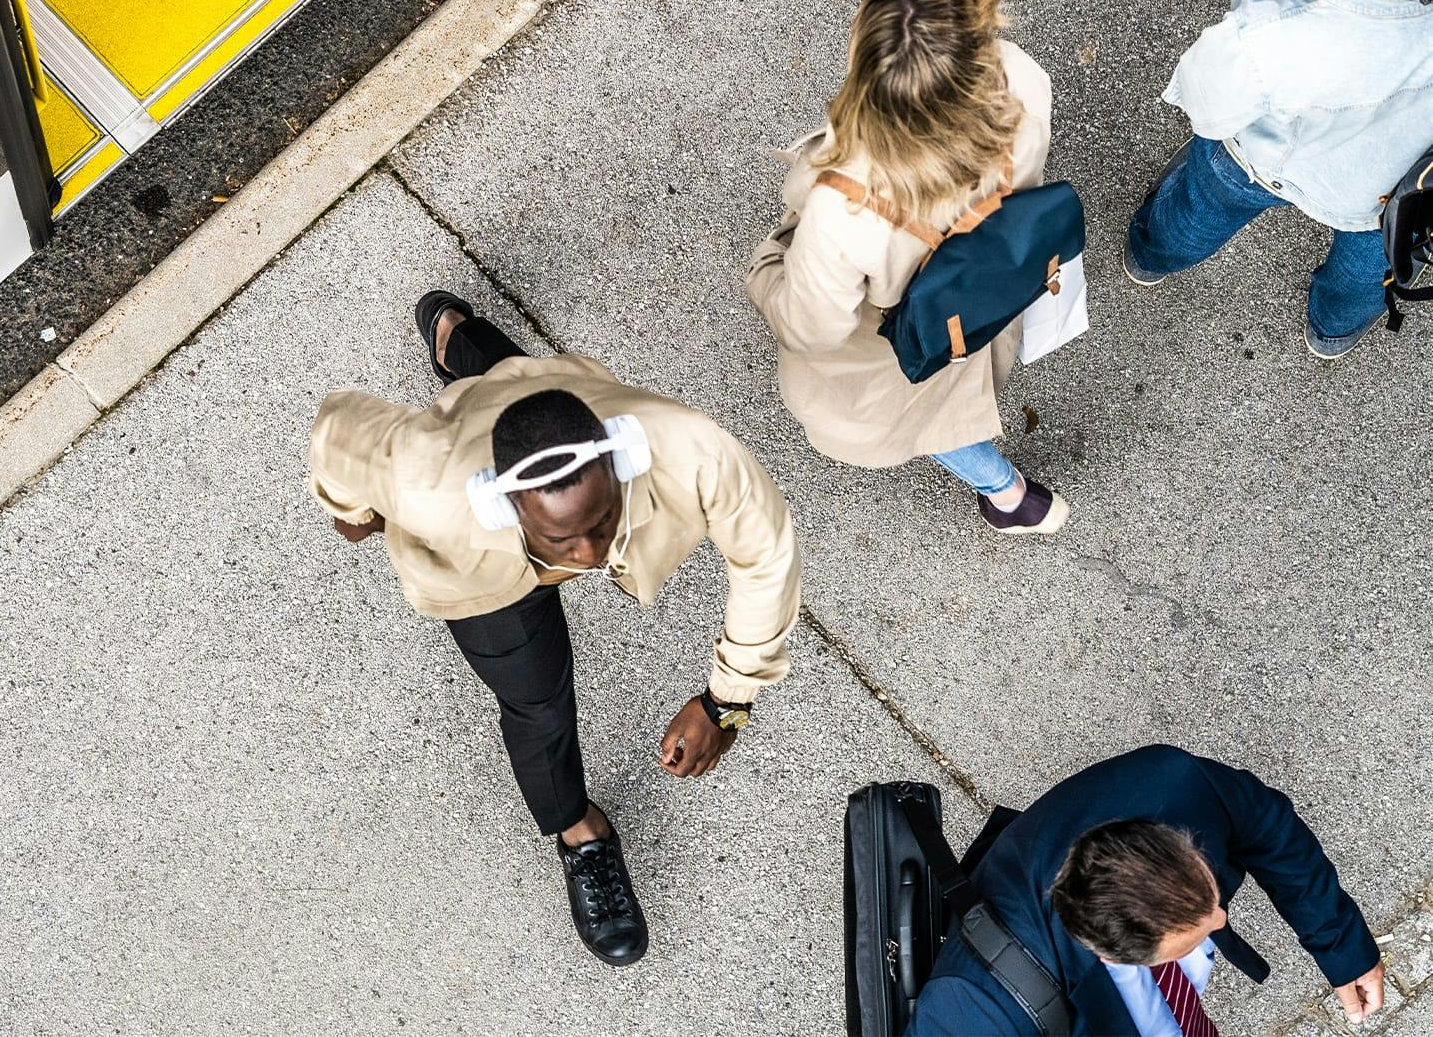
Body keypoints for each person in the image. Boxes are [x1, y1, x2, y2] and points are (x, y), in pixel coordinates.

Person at [310, 293, 801, 968]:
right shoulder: (428, 482)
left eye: (602, 522)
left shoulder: (689, 448)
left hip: (566, 397)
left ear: (620, 457)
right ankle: (580, 833)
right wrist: (350, 505)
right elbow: (336, 429)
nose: (590, 554)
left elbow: (767, 556)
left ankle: (459, 340)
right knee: (537, 705)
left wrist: (727, 701)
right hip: (489, 569)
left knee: (538, 395)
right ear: (504, 504)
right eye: (566, 540)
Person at [746, 0, 1068, 535]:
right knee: (950, 403)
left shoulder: (845, 207)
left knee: (925, 416)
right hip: (988, 282)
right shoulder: (1020, 77)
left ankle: (1010, 494)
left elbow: (813, 328)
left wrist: (767, 271)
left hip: (903, 337)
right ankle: (1013, 502)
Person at [1125, 0, 1433, 357]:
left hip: (1265, 160)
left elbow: (1208, 104)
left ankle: (1151, 258)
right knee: (1371, 262)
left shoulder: (1275, 33)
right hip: (1393, 188)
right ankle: (1332, 333)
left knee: (1203, 204)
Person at [911, 743, 1384, 1035]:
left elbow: (1268, 828)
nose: (1221, 919)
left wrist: (1343, 947)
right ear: (1111, 956)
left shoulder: (1174, 783)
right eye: (1188, 939)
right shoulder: (976, 1008)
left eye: (1205, 888)